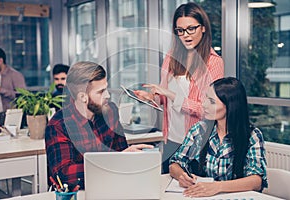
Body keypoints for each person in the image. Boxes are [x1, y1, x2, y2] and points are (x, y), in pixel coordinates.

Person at [134, 2, 224, 173]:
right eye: (180, 31)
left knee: (193, 190)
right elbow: (163, 98)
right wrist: (151, 98)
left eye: (191, 28)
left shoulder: (214, 62)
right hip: (171, 140)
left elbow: (210, 110)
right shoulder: (171, 57)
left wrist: (172, 95)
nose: (186, 35)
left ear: (203, 28)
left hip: (197, 142)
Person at [45, 61, 153, 190]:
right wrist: (116, 161)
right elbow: (65, 176)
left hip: (114, 187)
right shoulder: (58, 126)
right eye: (101, 92)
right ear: (83, 97)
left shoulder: (110, 110)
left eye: (106, 89)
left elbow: (121, 151)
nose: (107, 95)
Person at [169, 77, 267, 197]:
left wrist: (217, 187)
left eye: (212, 101)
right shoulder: (199, 130)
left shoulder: (252, 136)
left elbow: (256, 181)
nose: (204, 104)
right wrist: (181, 176)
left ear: (231, 106)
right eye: (206, 98)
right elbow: (175, 164)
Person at [0, 47, 26, 118]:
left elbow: (22, 97)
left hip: (12, 117)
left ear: (0, 61)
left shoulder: (15, 75)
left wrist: (0, 90)